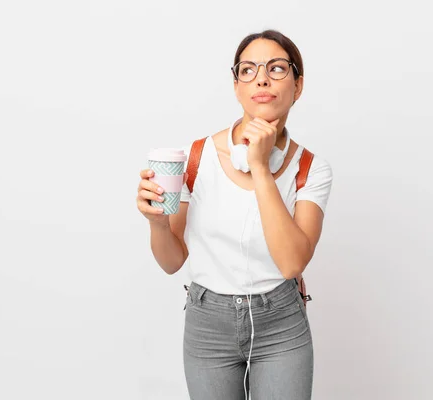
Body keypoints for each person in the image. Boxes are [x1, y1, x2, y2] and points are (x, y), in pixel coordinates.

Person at [136, 29, 333, 400]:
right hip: (208, 324)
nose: (261, 78)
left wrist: (260, 168)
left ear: (298, 85)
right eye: (248, 70)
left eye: (276, 68)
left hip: (281, 324)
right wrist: (158, 223)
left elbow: (291, 262)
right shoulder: (194, 158)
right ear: (236, 85)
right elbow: (172, 261)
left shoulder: (312, 169)